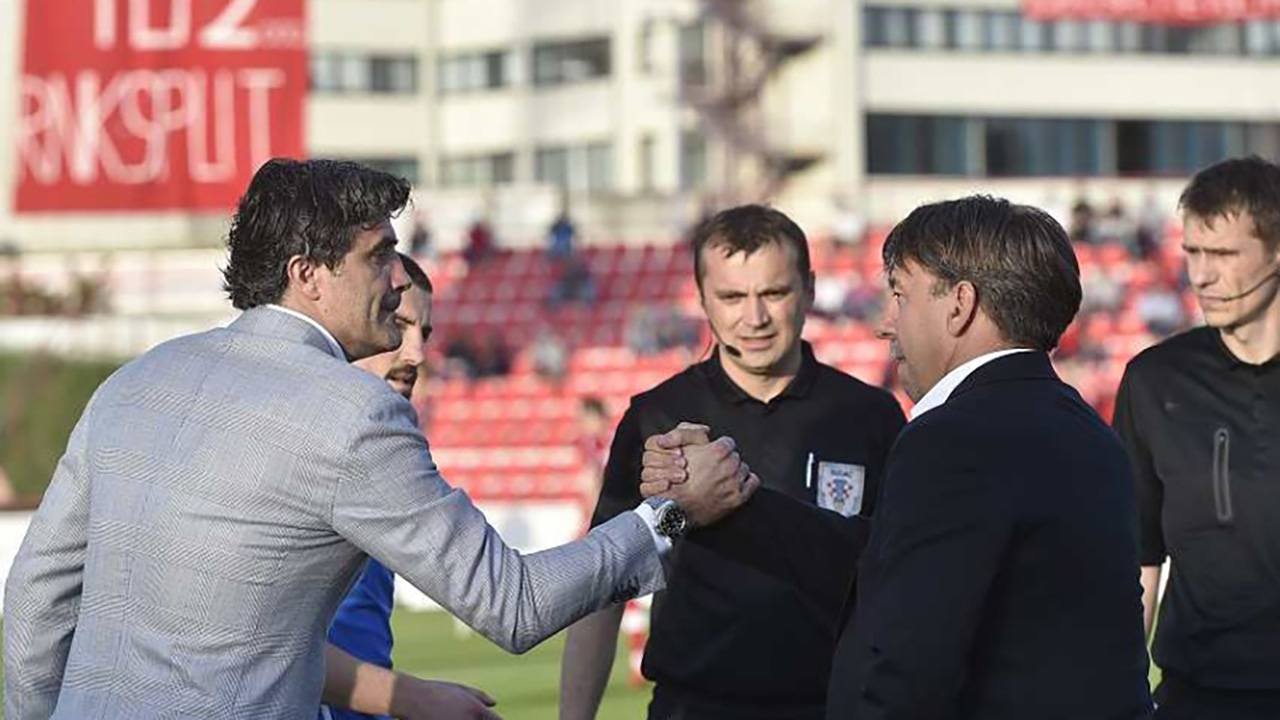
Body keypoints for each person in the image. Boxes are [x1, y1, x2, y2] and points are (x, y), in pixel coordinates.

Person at [2, 158, 758, 720]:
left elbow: (36, 602)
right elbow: (512, 604)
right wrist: (672, 514)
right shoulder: (351, 413)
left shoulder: (133, 383)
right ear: (307, 274)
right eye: (378, 256)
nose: (399, 279)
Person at [645, 196, 1153, 719]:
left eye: (900, 295)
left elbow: (910, 664)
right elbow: (891, 561)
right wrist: (734, 504)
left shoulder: (952, 439)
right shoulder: (1091, 435)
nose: (885, 324)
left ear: (959, 305)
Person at [560, 204, 905, 720]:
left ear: (809, 289)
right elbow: (605, 589)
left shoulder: (871, 416)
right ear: (701, 298)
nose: (755, 317)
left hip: (831, 706)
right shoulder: (657, 417)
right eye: (732, 297)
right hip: (691, 708)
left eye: (774, 292)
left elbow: (902, 579)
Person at [1114, 156, 1280, 719]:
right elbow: (1137, 557)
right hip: (1196, 697)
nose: (1201, 276)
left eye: (1224, 254)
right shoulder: (1154, 381)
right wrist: (1120, 695)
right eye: (1192, 252)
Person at [320, 253, 448, 720]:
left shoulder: (385, 449)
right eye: (399, 323)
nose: (416, 354)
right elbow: (261, 641)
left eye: (424, 333)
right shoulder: (302, 450)